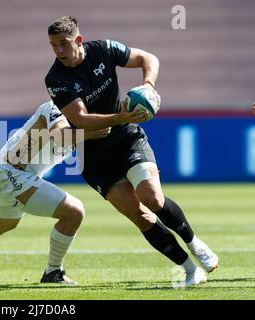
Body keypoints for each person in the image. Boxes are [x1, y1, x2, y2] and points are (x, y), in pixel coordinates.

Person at [44, 16, 218, 286]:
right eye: (54, 45)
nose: (59, 51)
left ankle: (194, 243)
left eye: (64, 44)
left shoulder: (103, 49)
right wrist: (122, 116)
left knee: (152, 198)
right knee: (138, 215)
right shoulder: (56, 77)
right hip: (95, 158)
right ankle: (190, 270)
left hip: (127, 141)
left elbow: (149, 58)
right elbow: (80, 120)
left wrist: (148, 84)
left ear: (78, 40)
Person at [0, 100, 110, 284]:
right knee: (74, 212)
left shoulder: (84, 121)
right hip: (13, 173)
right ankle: (53, 272)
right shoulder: (55, 107)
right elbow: (59, 135)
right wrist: (99, 128)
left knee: (3, 223)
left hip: (9, 171)